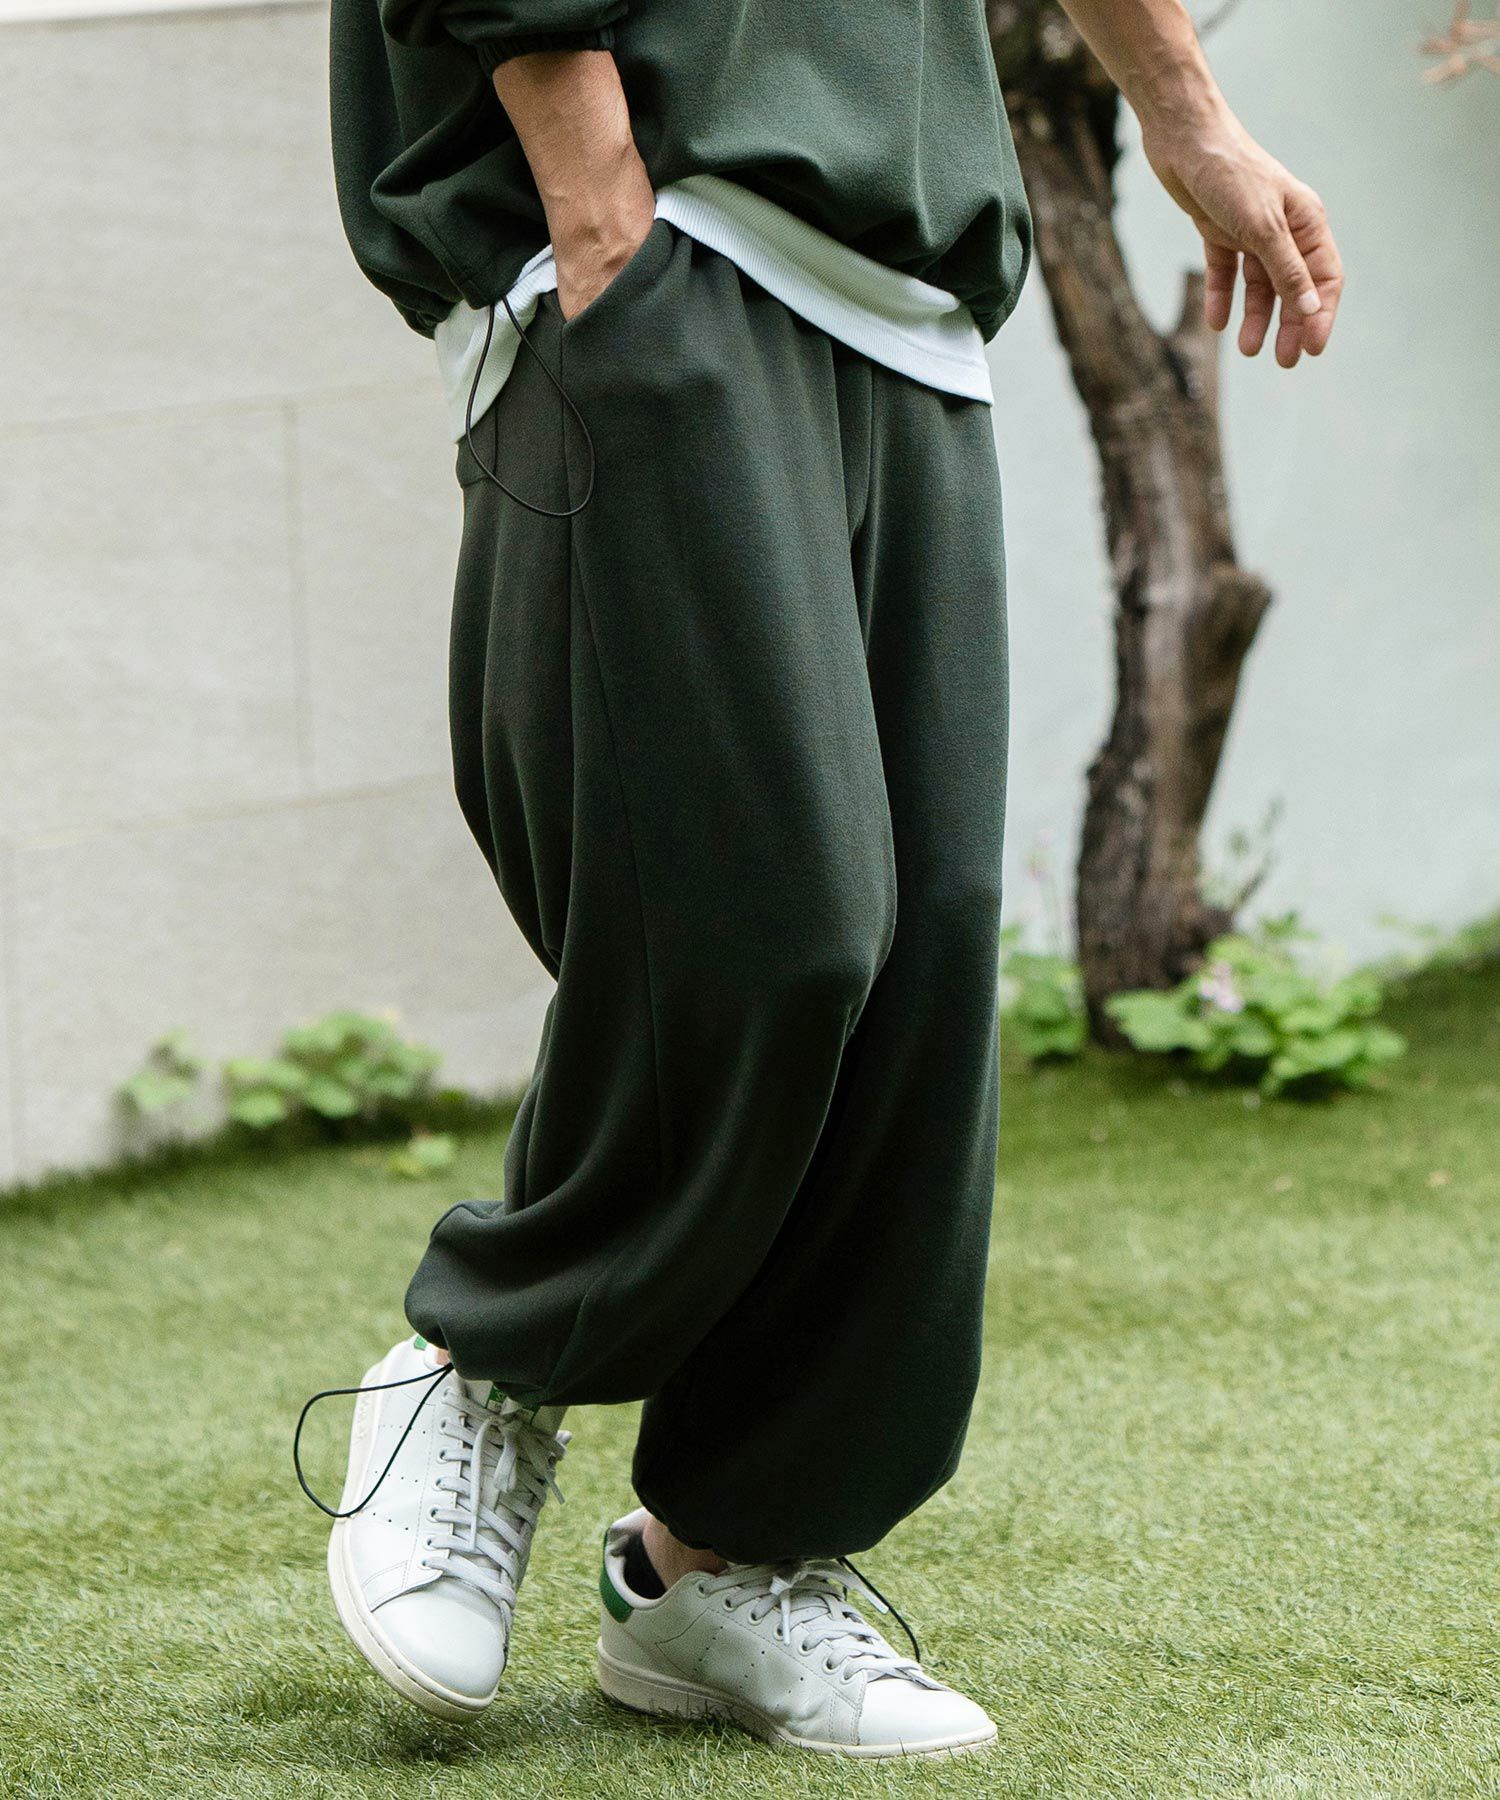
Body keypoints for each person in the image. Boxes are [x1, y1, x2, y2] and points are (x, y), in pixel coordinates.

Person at [308, 0, 1342, 1757]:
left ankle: (722, 1558)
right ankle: (488, 1364)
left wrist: (1187, 114)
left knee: (917, 967)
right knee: (769, 918)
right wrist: (595, 204)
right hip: (663, 220)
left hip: (912, 270)